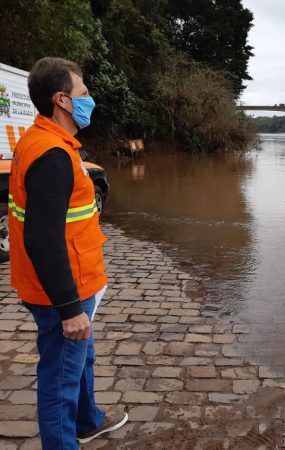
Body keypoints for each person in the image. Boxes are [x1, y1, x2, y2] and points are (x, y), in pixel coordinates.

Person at [8, 57, 127, 449]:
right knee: (60, 376)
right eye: (84, 93)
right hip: (63, 290)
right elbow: (43, 239)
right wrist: (69, 307)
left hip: (77, 281)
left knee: (82, 357)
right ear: (61, 99)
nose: (90, 99)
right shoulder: (52, 155)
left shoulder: (47, 142)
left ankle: (88, 419)